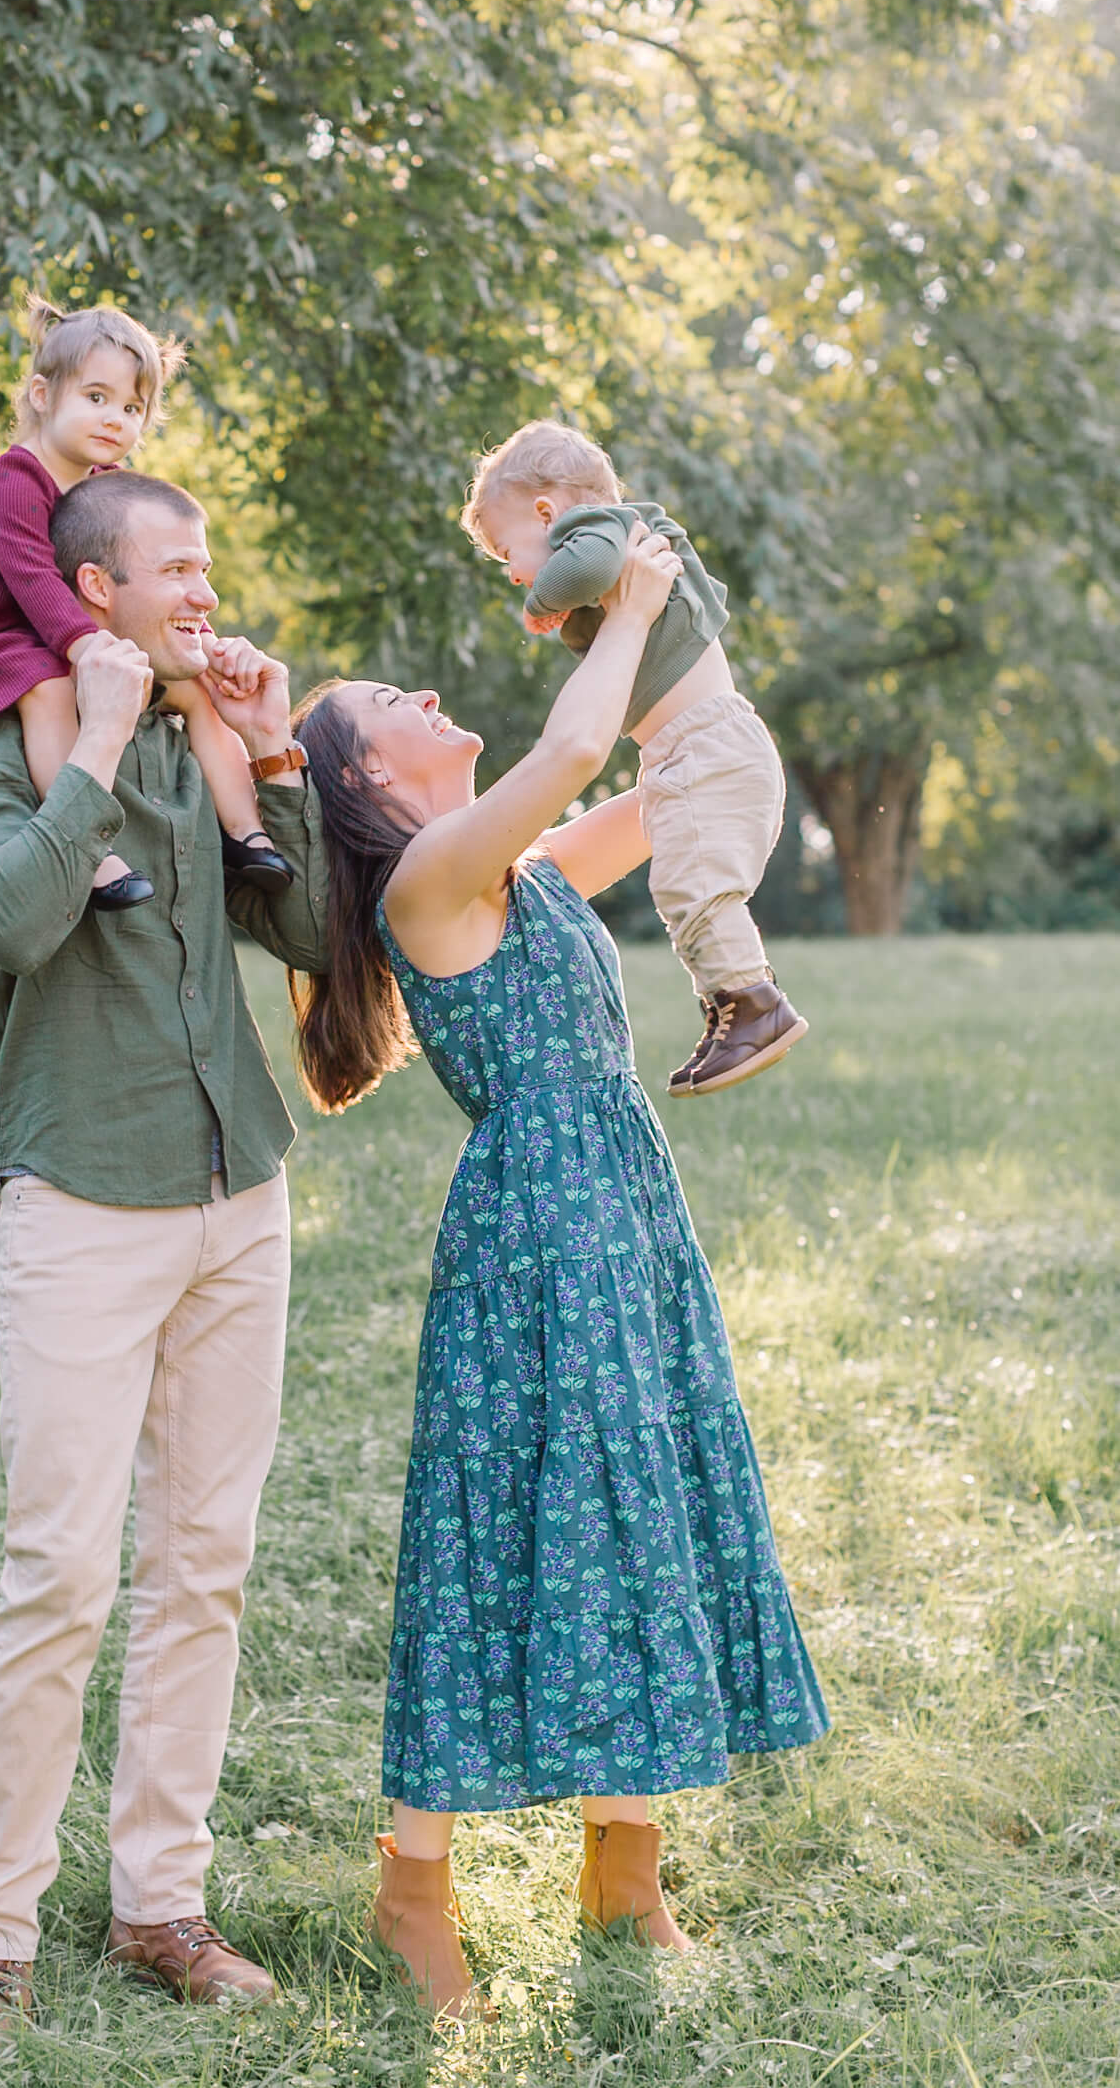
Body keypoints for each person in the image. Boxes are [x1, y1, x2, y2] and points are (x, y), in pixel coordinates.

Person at [286, 521, 830, 2022]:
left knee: (635, 1509)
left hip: (622, 1211)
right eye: (389, 696)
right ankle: (412, 1891)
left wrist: (694, 674)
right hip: (536, 1234)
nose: (420, 692)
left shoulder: (513, 872)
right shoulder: (432, 881)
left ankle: (625, 1868)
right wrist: (635, 592)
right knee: (502, 1532)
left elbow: (656, 785)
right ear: (365, 775)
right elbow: (580, 740)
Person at [0, 470, 330, 2053]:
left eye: (211, 558)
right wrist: (87, 745)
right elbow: (14, 919)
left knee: (204, 1564)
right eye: (177, 565)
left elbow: (308, 940)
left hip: (240, 1195)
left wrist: (278, 743)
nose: (205, 587)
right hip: (81, 1195)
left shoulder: (209, 736)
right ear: (95, 592)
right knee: (59, 1578)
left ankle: (160, 1901)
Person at [463, 419, 806, 1097]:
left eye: (509, 551)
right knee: (684, 888)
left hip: (705, 745)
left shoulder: (601, 531)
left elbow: (581, 567)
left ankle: (756, 1007)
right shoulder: (614, 544)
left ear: (547, 512)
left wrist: (542, 599)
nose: (511, 573)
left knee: (693, 886)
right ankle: (728, 1006)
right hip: (694, 749)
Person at [0, 295, 290, 910]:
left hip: (61, 629)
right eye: (95, 398)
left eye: (131, 407)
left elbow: (139, 577)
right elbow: (35, 580)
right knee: (49, 689)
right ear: (43, 396)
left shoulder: (103, 486)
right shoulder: (13, 483)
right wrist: (91, 645)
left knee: (196, 689)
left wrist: (200, 644)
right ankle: (90, 852)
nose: (114, 419)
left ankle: (245, 833)